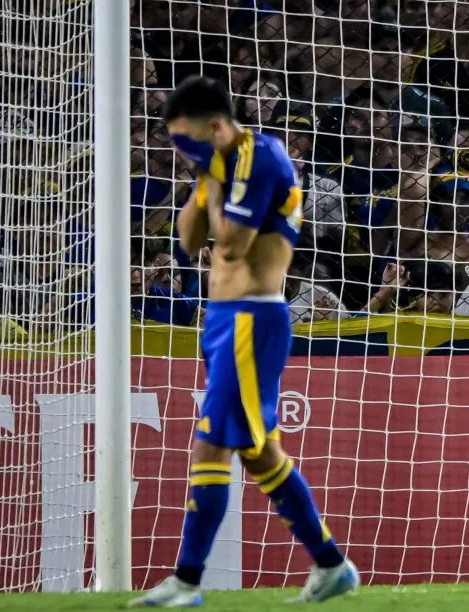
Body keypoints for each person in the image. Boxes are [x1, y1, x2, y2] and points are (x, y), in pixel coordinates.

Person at [129, 76, 359, 607]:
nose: (180, 152)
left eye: (184, 141)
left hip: (254, 318)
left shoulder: (261, 158)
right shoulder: (220, 166)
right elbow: (190, 241)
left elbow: (232, 244)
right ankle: (331, 565)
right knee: (259, 454)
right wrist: (202, 180)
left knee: (211, 442)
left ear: (214, 126)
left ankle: (187, 582)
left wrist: (211, 180)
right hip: (222, 321)